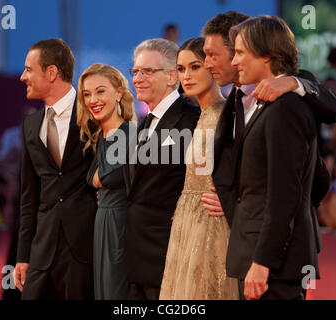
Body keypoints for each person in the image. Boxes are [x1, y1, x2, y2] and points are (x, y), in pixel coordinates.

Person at [202, 11, 336, 229]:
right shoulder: (231, 100)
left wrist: (294, 83)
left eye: (213, 55)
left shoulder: (295, 83)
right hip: (239, 231)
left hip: (287, 230)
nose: (207, 64)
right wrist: (235, 206)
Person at [228, 15, 319, 300]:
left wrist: (263, 262)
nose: (233, 62)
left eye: (240, 52)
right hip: (260, 258)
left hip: (273, 267)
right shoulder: (269, 105)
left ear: (266, 55)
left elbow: (284, 194)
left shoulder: (285, 108)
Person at [13, 38, 97, 299]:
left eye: (28, 69)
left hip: (85, 248)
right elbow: (28, 196)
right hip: (42, 251)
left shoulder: (94, 114)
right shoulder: (30, 125)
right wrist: (23, 255)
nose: (22, 77)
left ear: (51, 73)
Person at [160, 37, 237, 299]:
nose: (186, 76)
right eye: (181, 69)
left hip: (211, 227)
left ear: (212, 68)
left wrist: (230, 199)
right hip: (186, 224)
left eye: (195, 66)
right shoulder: (201, 115)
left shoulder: (227, 115)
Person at [123, 38, 200, 300]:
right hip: (136, 260)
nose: (137, 78)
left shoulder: (193, 120)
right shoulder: (145, 122)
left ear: (170, 76)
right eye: (135, 72)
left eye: (147, 71)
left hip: (170, 257)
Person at [77, 63, 136, 299]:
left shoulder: (128, 134)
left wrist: (99, 180)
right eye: (87, 94)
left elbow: (105, 177)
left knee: (116, 292)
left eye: (100, 91)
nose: (93, 100)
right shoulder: (102, 137)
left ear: (119, 93)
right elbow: (94, 179)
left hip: (121, 225)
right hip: (103, 224)